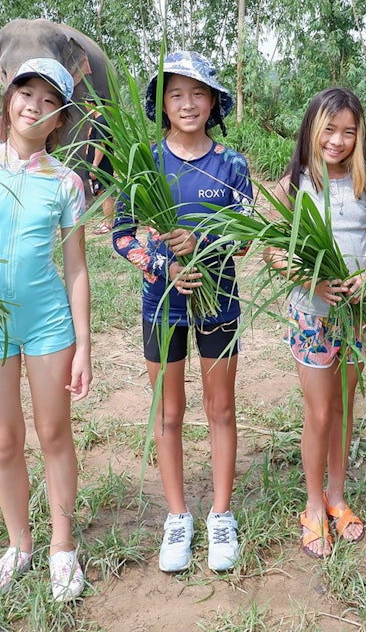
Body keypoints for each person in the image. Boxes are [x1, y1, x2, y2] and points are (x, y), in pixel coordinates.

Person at [0, 58, 92, 602]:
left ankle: (62, 547)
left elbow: (76, 269)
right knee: (5, 441)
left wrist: (83, 346)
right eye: (25, 92)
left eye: (49, 99)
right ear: (8, 101)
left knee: (55, 436)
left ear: (59, 119)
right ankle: (19, 545)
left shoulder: (65, 182)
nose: (34, 104)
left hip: (48, 324)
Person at [112, 50, 253, 573]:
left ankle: (219, 515)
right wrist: (161, 264)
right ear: (162, 105)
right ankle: (178, 517)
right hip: (161, 305)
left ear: (213, 101)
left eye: (198, 93)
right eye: (175, 94)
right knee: (169, 414)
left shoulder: (231, 164)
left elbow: (247, 238)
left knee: (221, 409)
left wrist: (204, 241)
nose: (187, 104)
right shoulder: (145, 162)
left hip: (221, 301)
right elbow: (121, 235)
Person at [266, 88, 366, 559]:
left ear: (359, 138)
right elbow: (273, 250)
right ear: (311, 130)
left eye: (348, 132)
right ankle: (313, 506)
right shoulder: (291, 186)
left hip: (356, 317)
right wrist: (311, 281)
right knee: (319, 413)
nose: (337, 141)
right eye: (329, 130)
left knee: (343, 406)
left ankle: (338, 498)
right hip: (312, 317)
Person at [84, 97, 115, 233]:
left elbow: (100, 145)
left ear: (92, 103)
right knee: (101, 192)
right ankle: (108, 221)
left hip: (102, 164)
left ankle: (109, 223)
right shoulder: (98, 121)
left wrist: (95, 165)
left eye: (86, 104)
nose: (85, 107)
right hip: (97, 163)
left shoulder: (102, 121)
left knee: (104, 192)